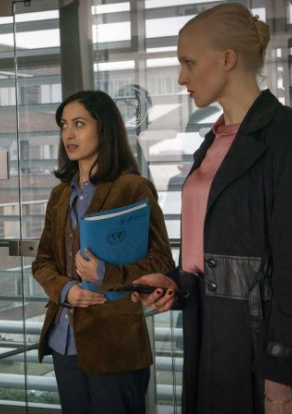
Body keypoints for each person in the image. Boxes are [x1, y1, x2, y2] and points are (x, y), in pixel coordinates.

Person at [130, 3, 292, 414]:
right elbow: (215, 252)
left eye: (189, 62)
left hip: (260, 344)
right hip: (209, 334)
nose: (181, 77)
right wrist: (176, 282)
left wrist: (279, 383)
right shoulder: (212, 141)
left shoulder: (291, 136)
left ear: (227, 59)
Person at [32, 90, 174, 413]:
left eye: (79, 124)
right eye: (64, 125)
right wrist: (66, 290)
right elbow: (42, 262)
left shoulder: (132, 188)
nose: (68, 134)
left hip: (115, 345)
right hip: (63, 340)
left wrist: (105, 274)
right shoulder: (59, 196)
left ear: (104, 128)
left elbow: (162, 261)